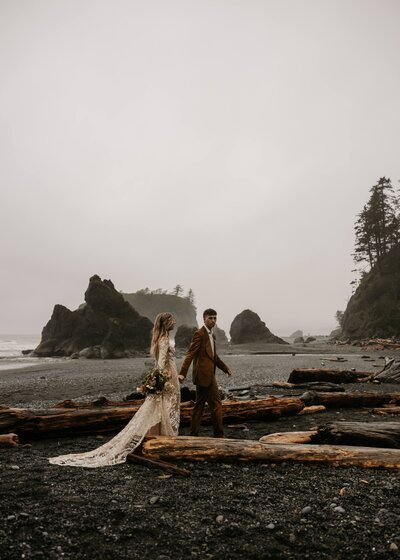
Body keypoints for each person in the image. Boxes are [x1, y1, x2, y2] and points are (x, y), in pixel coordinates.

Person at [49, 312, 180, 468]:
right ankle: (159, 438)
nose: (175, 323)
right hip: (167, 376)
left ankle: (156, 437)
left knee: (160, 406)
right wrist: (161, 379)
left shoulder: (160, 339)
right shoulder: (164, 340)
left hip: (167, 374)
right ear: (166, 323)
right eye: (172, 320)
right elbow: (160, 363)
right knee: (163, 405)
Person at [178, 308, 232, 438]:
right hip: (204, 376)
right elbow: (190, 353)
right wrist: (182, 373)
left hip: (206, 376)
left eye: (215, 318)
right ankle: (219, 435)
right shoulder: (200, 334)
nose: (213, 320)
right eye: (210, 318)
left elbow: (214, 357)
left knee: (199, 406)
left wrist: (226, 369)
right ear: (204, 319)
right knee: (217, 405)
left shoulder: (211, 335)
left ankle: (193, 434)